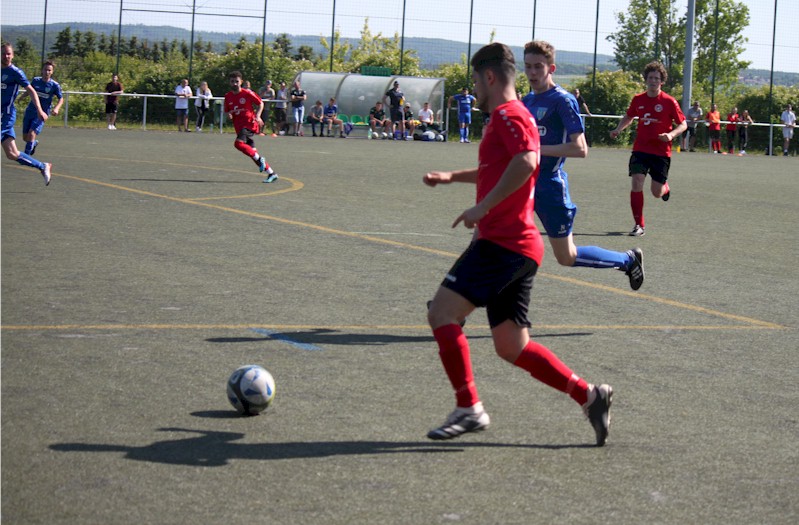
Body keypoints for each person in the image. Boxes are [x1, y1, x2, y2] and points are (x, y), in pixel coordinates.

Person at [423, 42, 612, 446]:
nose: (474, 89)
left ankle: (468, 407)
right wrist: (452, 177)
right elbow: (499, 168)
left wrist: (482, 209)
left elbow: (527, 161)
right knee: (511, 346)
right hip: (517, 247)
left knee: (442, 313)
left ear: (489, 77)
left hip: (503, 244)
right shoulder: (509, 116)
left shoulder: (510, 115)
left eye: (475, 81)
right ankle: (589, 395)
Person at [522, 40, 643, 290]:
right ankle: (457, 304)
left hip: (549, 188)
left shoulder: (562, 101)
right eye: (528, 67)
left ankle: (627, 260)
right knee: (494, 239)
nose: (532, 72)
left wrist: (535, 149)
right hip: (522, 183)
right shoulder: (526, 101)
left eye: (538, 67)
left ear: (551, 68)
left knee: (567, 257)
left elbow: (580, 148)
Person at [610, 61, 686, 237]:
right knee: (637, 181)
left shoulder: (669, 102)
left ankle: (665, 188)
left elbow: (683, 124)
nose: (653, 81)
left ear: (662, 81)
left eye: (656, 78)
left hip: (661, 152)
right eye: (650, 78)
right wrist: (618, 129)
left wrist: (671, 135)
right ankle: (639, 225)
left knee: (656, 192)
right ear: (646, 80)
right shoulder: (638, 99)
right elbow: (629, 116)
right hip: (640, 150)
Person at [1, 42, 52, 185]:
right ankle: (43, 166)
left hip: (6, 115)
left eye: (8, 53)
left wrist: (39, 110)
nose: (6, 56)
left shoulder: (16, 72)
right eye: (3, 53)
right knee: (12, 154)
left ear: (13, 55)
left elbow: (31, 91)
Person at [223, 70, 278, 183]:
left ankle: (261, 160)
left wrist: (258, 116)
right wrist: (228, 114)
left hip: (249, 124)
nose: (234, 83)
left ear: (241, 82)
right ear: (229, 82)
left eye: (236, 81)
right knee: (253, 154)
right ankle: (271, 173)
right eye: (232, 81)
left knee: (238, 144)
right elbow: (227, 111)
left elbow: (260, 103)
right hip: (239, 127)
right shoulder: (228, 96)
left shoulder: (247, 93)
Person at [21, 60, 63, 156]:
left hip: (42, 113)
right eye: (45, 70)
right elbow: (29, 90)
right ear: (42, 70)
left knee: (32, 133)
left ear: (52, 72)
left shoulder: (54, 85)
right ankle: (33, 143)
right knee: (25, 137)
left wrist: (56, 108)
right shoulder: (36, 80)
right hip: (30, 110)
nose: (47, 72)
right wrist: (21, 97)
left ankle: (26, 157)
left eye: (49, 70)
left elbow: (61, 99)